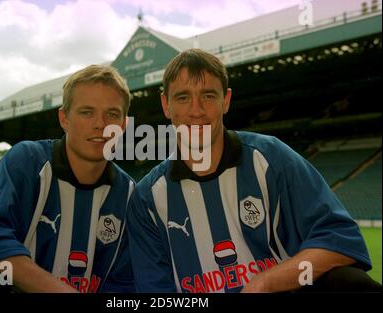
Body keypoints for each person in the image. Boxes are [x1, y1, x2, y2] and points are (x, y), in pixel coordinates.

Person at [126, 49, 381, 293]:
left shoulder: (270, 158)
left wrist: (266, 283)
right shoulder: (147, 198)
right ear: (166, 105)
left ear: (226, 100)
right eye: (183, 97)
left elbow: (340, 241)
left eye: (208, 95)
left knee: (349, 282)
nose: (196, 110)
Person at [0, 65, 135, 293]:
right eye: (86, 112)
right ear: (64, 118)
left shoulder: (128, 193)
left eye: (112, 114)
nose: (100, 124)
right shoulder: (28, 162)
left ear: (123, 125)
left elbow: (125, 281)